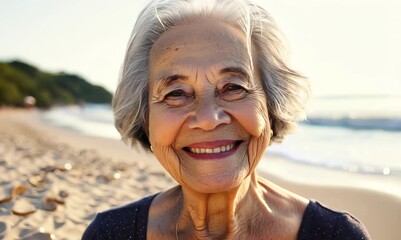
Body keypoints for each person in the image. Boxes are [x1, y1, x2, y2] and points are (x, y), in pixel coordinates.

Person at [83, 0, 371, 239]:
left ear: (271, 107)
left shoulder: (335, 235)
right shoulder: (109, 233)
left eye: (233, 87)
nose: (208, 119)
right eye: (176, 93)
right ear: (145, 119)